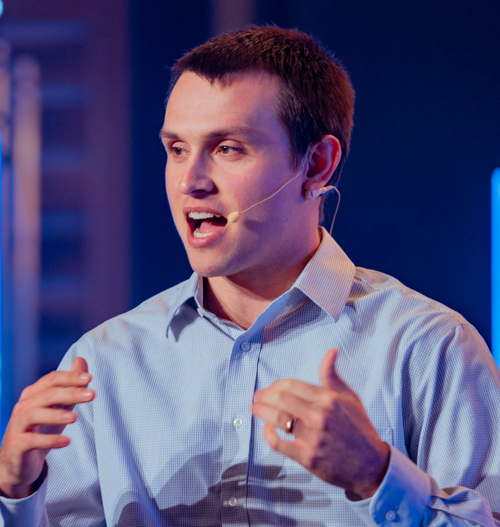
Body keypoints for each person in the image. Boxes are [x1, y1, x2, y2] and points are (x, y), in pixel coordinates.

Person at [0, 25, 499, 527]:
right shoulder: (103, 363)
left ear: (317, 164)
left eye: (228, 148)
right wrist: (15, 494)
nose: (190, 181)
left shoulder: (428, 348)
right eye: (177, 149)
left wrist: (378, 476)